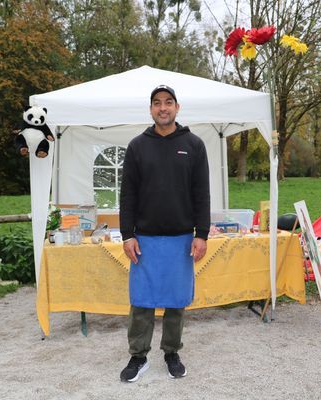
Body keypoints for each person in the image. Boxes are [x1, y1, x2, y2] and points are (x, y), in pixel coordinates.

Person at [119, 85, 210, 382]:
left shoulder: (194, 145)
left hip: (181, 238)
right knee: (142, 301)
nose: (163, 108)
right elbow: (128, 195)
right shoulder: (137, 146)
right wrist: (127, 235)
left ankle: (171, 351)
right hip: (144, 239)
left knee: (175, 301)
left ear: (177, 107)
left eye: (168, 102)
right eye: (157, 103)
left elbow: (202, 194)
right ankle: (138, 355)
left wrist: (202, 234)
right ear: (150, 109)